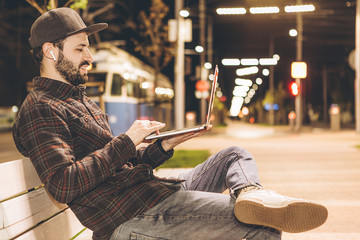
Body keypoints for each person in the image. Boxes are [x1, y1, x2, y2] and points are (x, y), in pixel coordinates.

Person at [12, 7, 327, 240]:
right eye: (80, 48)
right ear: (51, 52)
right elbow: (63, 184)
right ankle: (255, 205)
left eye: (88, 47)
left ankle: (252, 195)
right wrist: (126, 141)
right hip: (130, 217)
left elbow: (120, 165)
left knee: (233, 154)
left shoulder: (80, 101)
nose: (90, 56)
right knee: (263, 230)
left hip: (148, 194)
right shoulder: (41, 109)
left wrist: (161, 147)